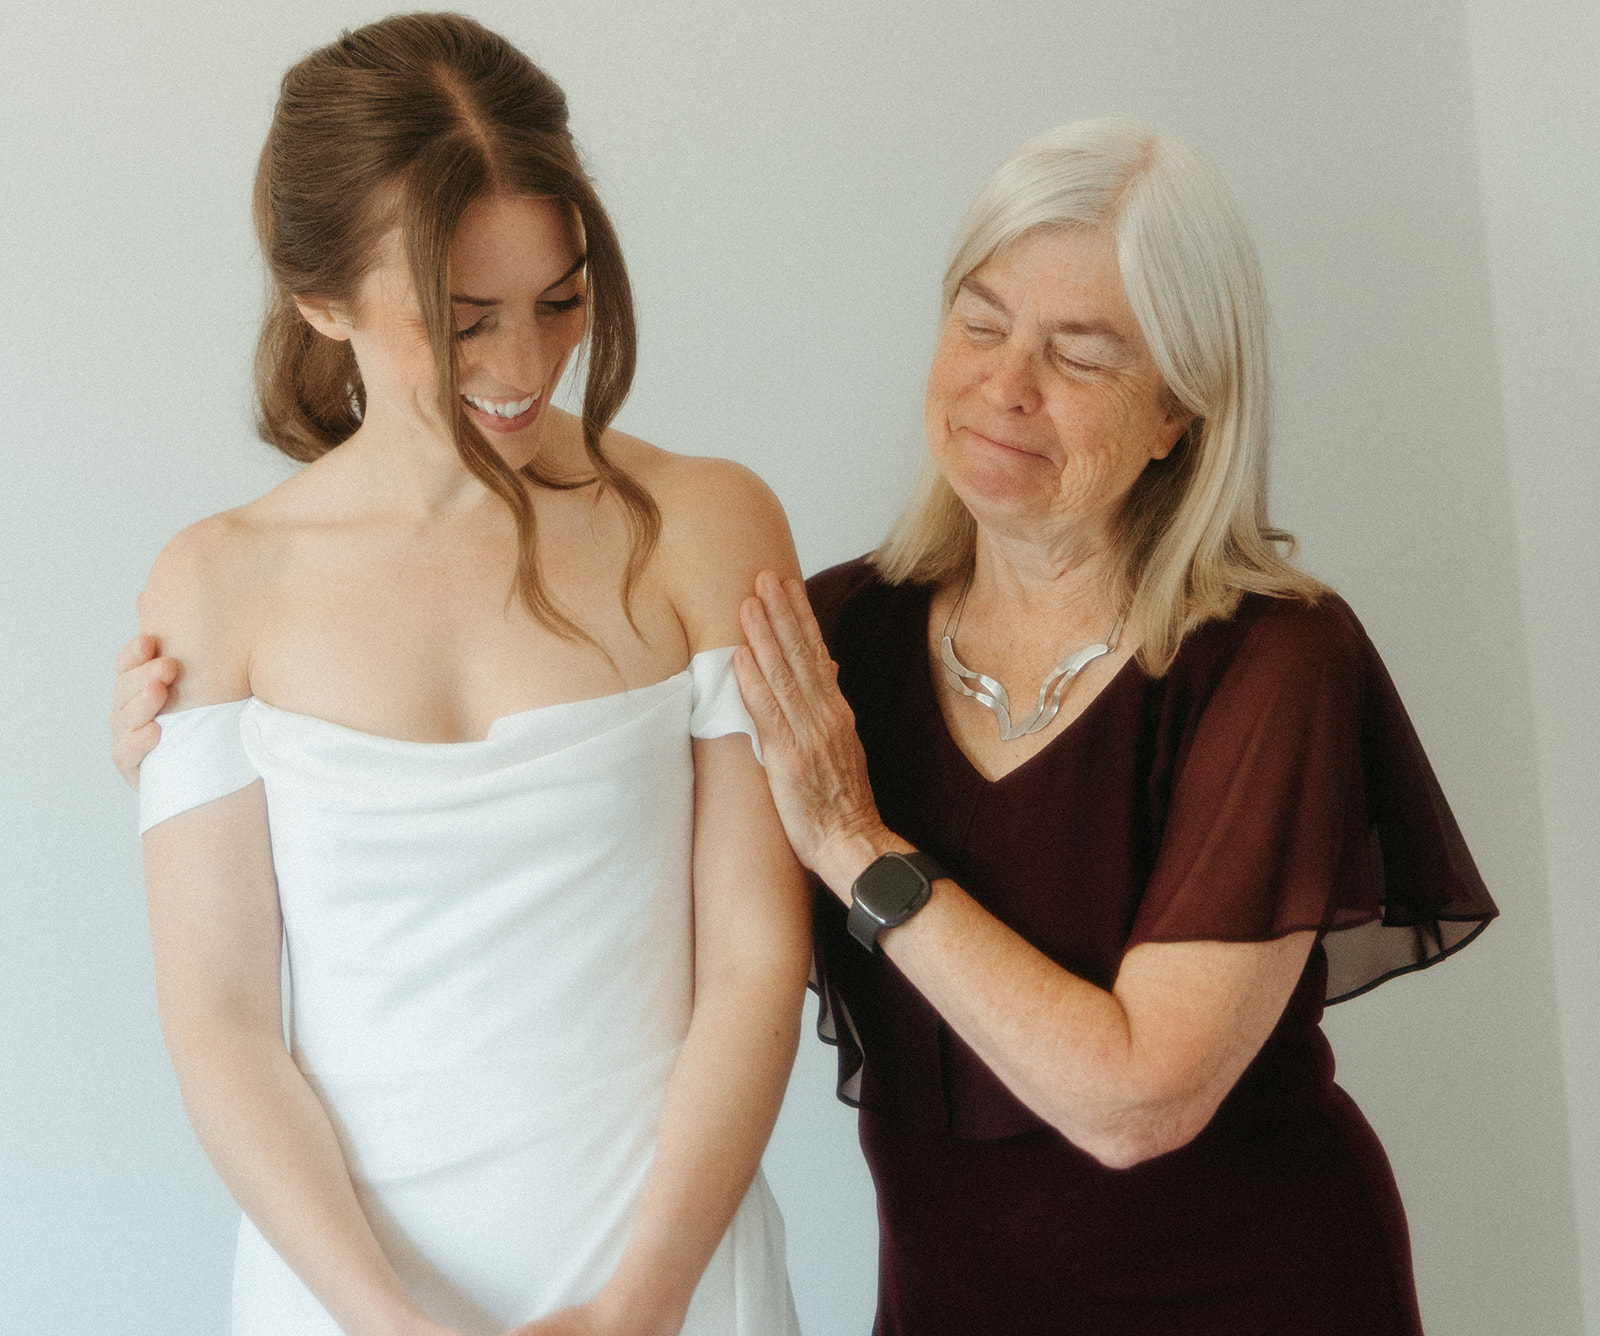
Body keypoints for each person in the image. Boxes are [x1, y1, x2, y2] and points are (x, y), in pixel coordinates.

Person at [729, 121, 1497, 1335]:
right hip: (948, 1302)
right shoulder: (834, 634)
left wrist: (852, 842)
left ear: (1177, 414)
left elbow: (1137, 1101)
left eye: (1079, 356)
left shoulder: (1274, 659)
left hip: (1250, 1299)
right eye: (979, 322)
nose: (1004, 385)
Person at [109, 14, 808, 1336]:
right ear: (320, 300)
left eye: (561, 300)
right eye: (462, 320)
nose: (526, 367)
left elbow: (758, 960)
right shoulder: (219, 584)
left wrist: (641, 1306)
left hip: (670, 1278)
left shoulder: (706, 527)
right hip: (345, 1291)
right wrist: (389, 1322)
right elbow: (221, 1022)